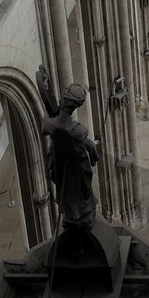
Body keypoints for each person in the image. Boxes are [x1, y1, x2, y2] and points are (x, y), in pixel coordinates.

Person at [41, 83, 101, 228]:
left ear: (62, 101)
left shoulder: (50, 124)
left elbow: (44, 125)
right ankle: (82, 215)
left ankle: (73, 216)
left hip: (61, 167)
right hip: (76, 168)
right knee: (80, 192)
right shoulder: (79, 130)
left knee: (67, 192)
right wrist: (94, 155)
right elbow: (90, 146)